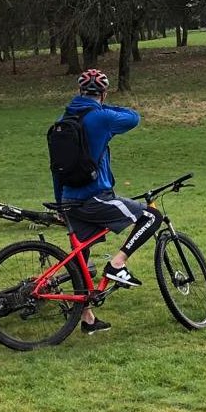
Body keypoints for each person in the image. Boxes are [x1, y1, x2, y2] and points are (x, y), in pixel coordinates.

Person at [52, 68, 161, 335]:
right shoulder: (101, 118)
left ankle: (87, 318)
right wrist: (104, 104)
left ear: (79, 92)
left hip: (68, 198)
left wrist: (60, 204)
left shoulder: (64, 119)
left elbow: (57, 168)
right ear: (102, 93)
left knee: (81, 256)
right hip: (95, 197)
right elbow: (134, 118)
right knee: (151, 216)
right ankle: (117, 263)